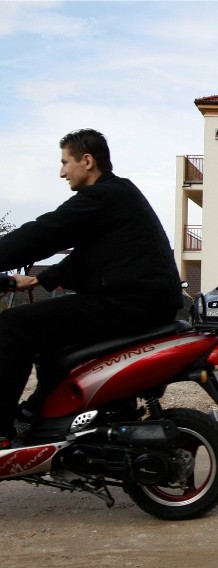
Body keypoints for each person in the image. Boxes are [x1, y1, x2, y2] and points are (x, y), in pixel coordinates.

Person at [0, 129, 182, 441]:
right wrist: (39, 279)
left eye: (64, 162)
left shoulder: (103, 197)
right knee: (49, 345)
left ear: (86, 161)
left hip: (130, 303)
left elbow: (45, 232)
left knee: (12, 327)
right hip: (141, 301)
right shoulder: (116, 195)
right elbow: (88, 258)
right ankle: (37, 416)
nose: (61, 172)